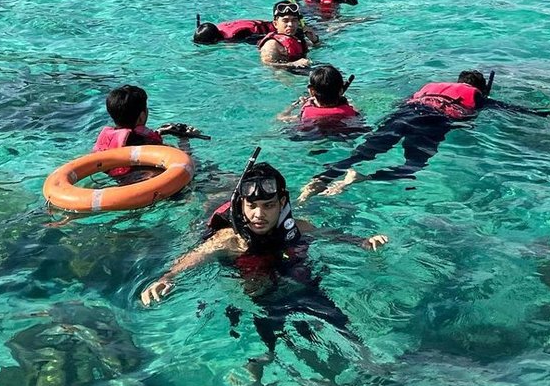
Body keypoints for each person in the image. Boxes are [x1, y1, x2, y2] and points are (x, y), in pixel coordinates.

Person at [140, 156, 387, 374]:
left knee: (340, 323)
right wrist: (167, 277)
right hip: (261, 300)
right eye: (252, 206)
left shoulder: (297, 227)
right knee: (271, 345)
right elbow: (195, 257)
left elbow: (330, 234)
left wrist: (363, 241)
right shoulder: (230, 239)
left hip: (302, 288)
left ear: (281, 204)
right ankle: (260, 364)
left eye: (268, 206)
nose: (259, 215)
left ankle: (371, 363)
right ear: (241, 206)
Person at [298, 70, 492, 200]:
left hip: (405, 113)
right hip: (433, 119)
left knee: (362, 154)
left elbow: (403, 102)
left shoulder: (432, 86)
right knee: (413, 165)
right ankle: (363, 178)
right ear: (480, 89)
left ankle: (319, 180)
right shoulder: (476, 94)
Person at [92, 84, 206, 179]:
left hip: (122, 186)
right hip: (155, 190)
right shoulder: (152, 146)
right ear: (142, 116)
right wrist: (184, 139)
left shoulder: (108, 141)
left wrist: (160, 132)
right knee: (206, 168)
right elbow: (185, 161)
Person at [281, 63, 364, 136]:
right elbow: (358, 114)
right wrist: (347, 103)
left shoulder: (305, 114)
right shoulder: (350, 112)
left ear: (311, 91)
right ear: (341, 91)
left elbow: (281, 118)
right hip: (344, 134)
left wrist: (294, 105)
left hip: (311, 134)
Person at [258, 0, 320, 69]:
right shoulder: (271, 44)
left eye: (294, 20)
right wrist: (293, 64)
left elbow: (320, 48)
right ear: (275, 24)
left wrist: (315, 40)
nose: (290, 24)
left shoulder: (299, 39)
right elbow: (267, 65)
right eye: (285, 21)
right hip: (285, 73)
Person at [193, 14, 273, 45]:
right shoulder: (219, 27)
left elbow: (258, 38)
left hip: (272, 28)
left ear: (215, 40)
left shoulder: (235, 35)